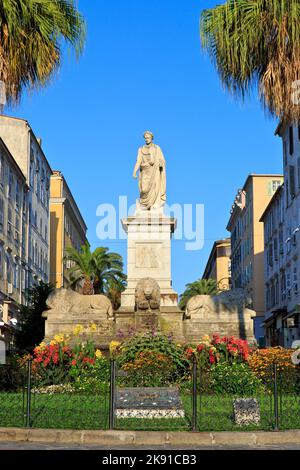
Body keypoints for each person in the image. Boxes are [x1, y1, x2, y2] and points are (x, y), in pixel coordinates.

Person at [133, 131, 166, 210]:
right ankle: (144, 204)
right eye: (145, 138)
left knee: (155, 187)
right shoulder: (141, 149)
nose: (146, 139)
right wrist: (134, 171)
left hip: (155, 172)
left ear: (151, 138)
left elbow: (162, 160)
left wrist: (160, 163)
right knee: (144, 189)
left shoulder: (157, 148)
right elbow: (138, 161)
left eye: (148, 138)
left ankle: (155, 203)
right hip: (145, 172)